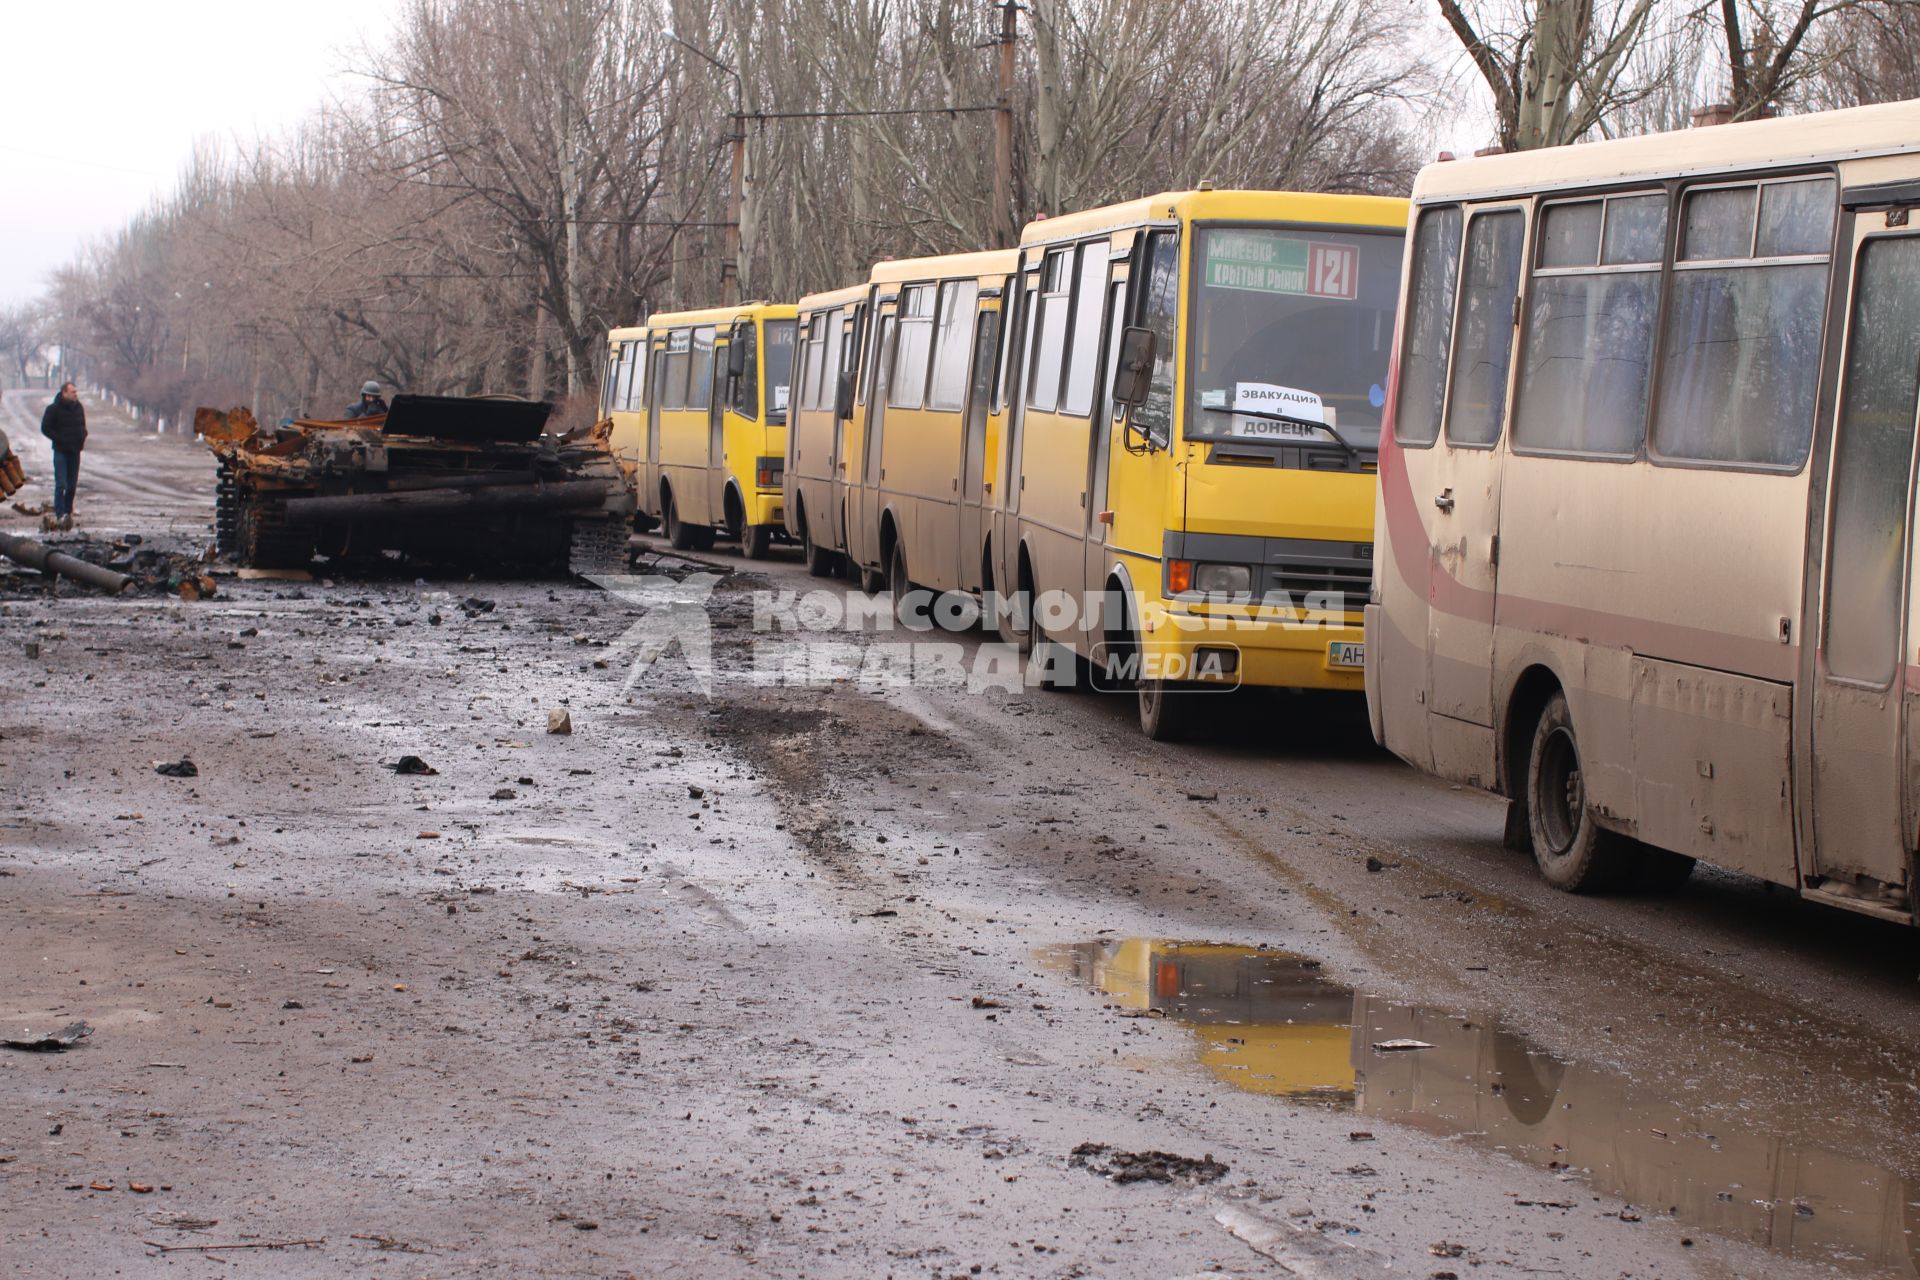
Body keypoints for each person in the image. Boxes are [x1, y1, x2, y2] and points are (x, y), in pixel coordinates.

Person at [39, 382, 86, 531]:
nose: (75, 394)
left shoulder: (78, 408)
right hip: (60, 451)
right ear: (64, 393)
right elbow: (45, 428)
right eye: (72, 392)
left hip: (75, 451)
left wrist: (82, 436)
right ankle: (60, 514)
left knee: (72, 485)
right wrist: (58, 438)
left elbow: (82, 426)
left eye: (75, 392)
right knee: (61, 484)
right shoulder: (53, 409)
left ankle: (67, 512)